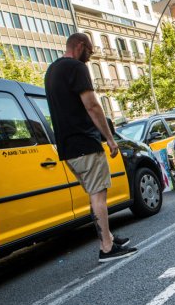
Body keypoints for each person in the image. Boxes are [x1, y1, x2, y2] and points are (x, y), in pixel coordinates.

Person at [45, 33, 137, 262]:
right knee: (99, 195)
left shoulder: (52, 71)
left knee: (94, 194)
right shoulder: (76, 67)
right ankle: (107, 247)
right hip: (84, 142)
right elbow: (93, 105)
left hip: (67, 147)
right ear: (80, 46)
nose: (90, 55)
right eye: (90, 50)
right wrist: (110, 138)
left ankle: (107, 237)